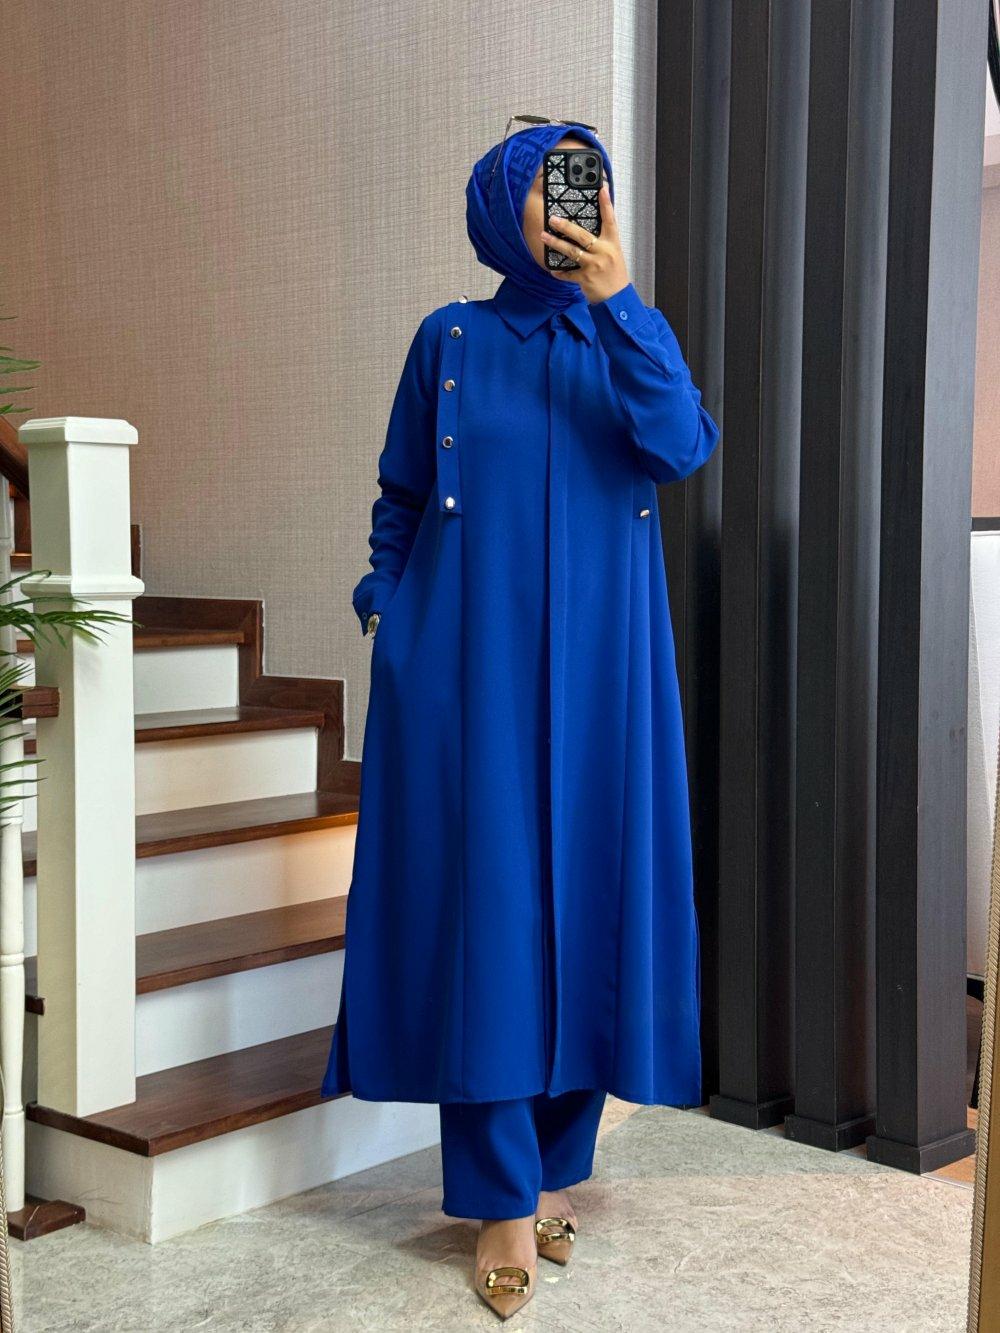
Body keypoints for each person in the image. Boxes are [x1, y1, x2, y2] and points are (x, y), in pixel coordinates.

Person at [322, 120, 720, 1320]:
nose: (571, 208)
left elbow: (680, 446)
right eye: (549, 187)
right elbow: (400, 493)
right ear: (502, 208)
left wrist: (621, 299)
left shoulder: (626, 336)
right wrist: (387, 608)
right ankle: (498, 1198)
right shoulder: (448, 340)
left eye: (585, 186)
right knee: (486, 921)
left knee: (595, 906)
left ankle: (550, 1171)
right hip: (465, 671)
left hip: (606, 673)